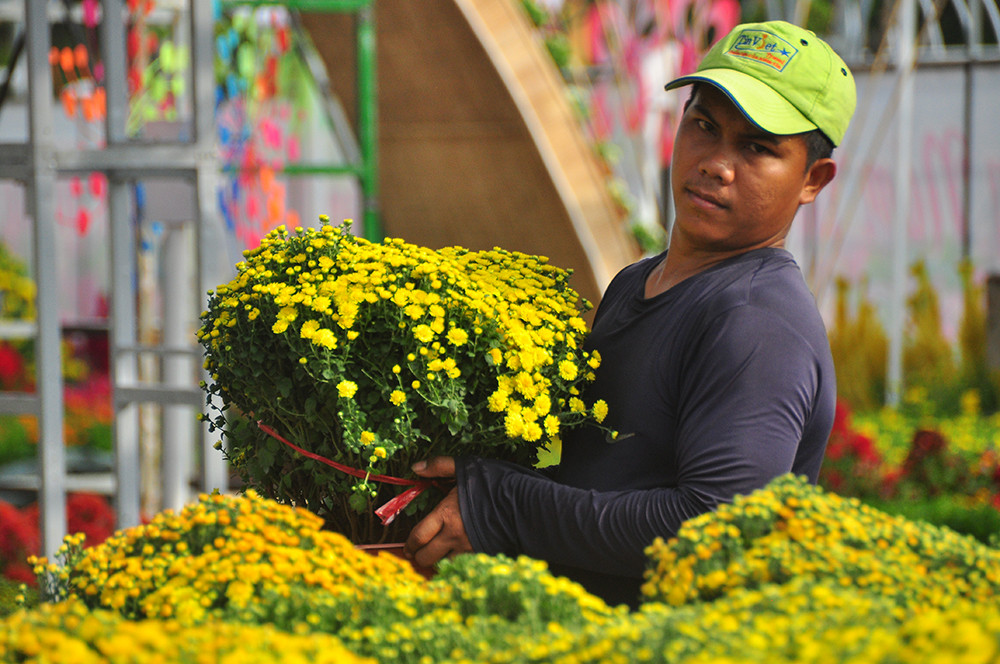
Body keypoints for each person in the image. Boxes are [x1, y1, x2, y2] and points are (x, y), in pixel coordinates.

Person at [403, 19, 857, 608]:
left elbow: (713, 533)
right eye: (704, 126)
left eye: (757, 148)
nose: (716, 164)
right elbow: (608, 480)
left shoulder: (756, 321)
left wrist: (502, 504)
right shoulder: (635, 283)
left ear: (812, 180)